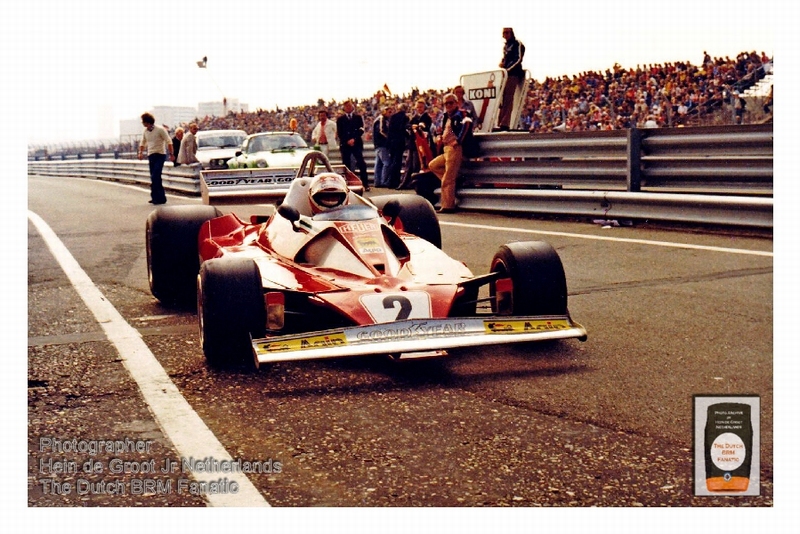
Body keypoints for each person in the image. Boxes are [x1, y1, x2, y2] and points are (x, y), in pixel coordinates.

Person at [427, 93, 472, 213]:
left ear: (456, 103)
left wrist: (458, 141)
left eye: (451, 103)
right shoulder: (446, 116)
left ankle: (448, 206)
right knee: (433, 165)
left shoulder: (461, 113)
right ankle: (454, 181)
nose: (448, 105)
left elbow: (467, 124)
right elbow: (440, 130)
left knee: (447, 179)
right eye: (446, 103)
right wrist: (439, 136)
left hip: (455, 149)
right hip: (446, 148)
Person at [138, 112, 173, 204]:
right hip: (151, 155)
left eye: (143, 122)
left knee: (155, 176)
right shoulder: (145, 131)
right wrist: (140, 152)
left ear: (148, 122)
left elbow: (169, 141)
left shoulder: (160, 129)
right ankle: (157, 197)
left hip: (160, 154)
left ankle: (159, 197)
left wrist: (171, 154)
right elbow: (143, 142)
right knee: (154, 176)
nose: (143, 124)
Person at [398, 99, 433, 189]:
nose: (419, 109)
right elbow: (407, 125)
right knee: (408, 164)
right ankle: (404, 183)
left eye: (420, 107)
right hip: (413, 143)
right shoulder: (415, 117)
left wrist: (418, 127)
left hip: (421, 144)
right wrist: (412, 126)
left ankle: (414, 183)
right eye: (417, 107)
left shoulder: (427, 117)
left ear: (424, 107)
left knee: (416, 164)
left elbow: (426, 128)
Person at [336, 100, 370, 190]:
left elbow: (361, 130)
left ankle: (365, 184)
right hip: (345, 145)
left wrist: (354, 139)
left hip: (356, 143)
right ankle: (346, 184)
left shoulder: (358, 118)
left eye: (350, 106)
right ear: (344, 108)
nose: (349, 108)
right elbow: (340, 133)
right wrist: (347, 140)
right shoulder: (340, 120)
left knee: (361, 163)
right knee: (346, 165)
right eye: (347, 106)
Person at [497, 27, 525, 131]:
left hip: (513, 74)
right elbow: (505, 58)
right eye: (504, 33)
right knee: (502, 99)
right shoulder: (505, 46)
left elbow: (518, 59)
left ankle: (505, 123)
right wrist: (502, 64)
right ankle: (499, 122)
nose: (506, 34)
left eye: (507, 32)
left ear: (512, 33)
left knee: (508, 98)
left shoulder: (517, 43)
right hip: (505, 74)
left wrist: (508, 70)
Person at [386, 103, 409, 189]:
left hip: (392, 142)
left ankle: (390, 182)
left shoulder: (393, 117)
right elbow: (403, 129)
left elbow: (389, 131)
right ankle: (395, 182)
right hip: (399, 142)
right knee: (397, 163)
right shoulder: (405, 118)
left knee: (392, 162)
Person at [371, 106, 392, 187]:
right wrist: (389, 138)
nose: (390, 114)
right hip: (381, 144)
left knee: (379, 164)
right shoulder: (381, 118)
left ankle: (377, 182)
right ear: (384, 111)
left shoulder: (381, 119)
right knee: (386, 163)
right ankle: (383, 181)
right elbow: (382, 131)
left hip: (378, 144)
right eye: (389, 112)